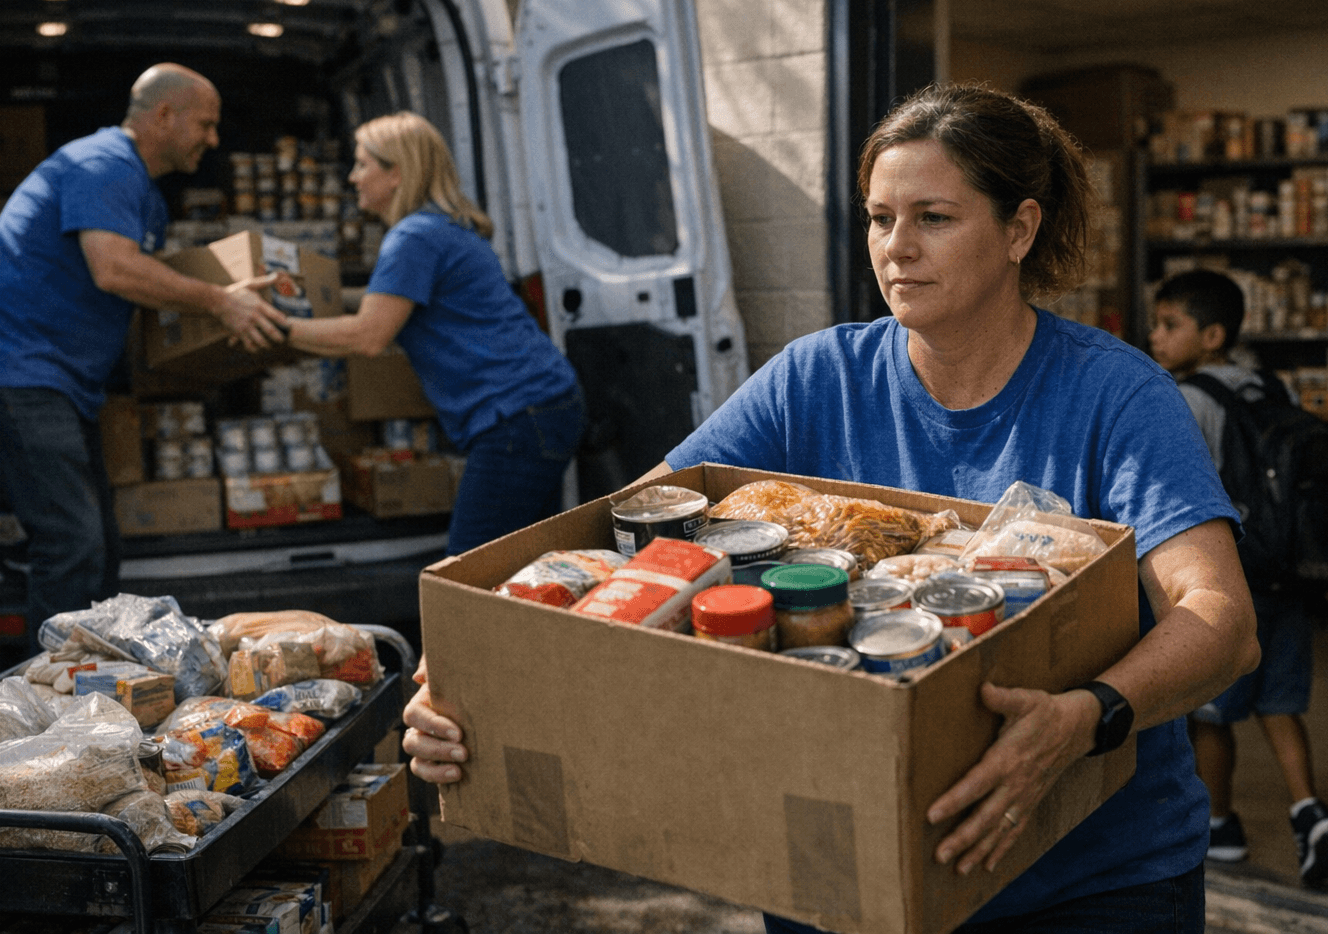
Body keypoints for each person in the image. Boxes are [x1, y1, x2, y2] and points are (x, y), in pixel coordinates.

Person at [403, 82, 1260, 932]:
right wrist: (482, 663)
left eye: (933, 217)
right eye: (880, 218)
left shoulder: (1118, 394)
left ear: (1019, 230)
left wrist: (1089, 717)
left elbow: (1220, 619)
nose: (896, 248)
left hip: (1088, 880)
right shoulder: (815, 379)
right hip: (843, 871)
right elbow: (630, 539)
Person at [0, 63, 289, 648]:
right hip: (13, 369)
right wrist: (219, 302)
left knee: (98, 542)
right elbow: (115, 268)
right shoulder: (102, 165)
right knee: (72, 541)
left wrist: (227, 306)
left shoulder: (135, 186)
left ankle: (90, 676)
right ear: (163, 115)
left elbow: (146, 280)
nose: (213, 139)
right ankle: (52, 695)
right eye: (205, 124)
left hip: (54, 377)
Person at [285, 110, 584, 554]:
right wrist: (317, 294)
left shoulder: (413, 238)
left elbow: (369, 334)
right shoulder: (439, 227)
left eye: (363, 164)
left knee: (470, 574)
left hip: (516, 420)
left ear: (397, 173)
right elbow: (384, 300)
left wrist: (274, 327)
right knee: (529, 570)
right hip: (544, 405)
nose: (353, 177)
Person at [1150, 268, 1328, 886]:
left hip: (1236, 575)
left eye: (1169, 325)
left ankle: (1221, 824)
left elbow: (1188, 492)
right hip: (1286, 574)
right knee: (1281, 703)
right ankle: (1307, 810)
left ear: (1212, 335)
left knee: (1214, 714)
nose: (1156, 337)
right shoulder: (1270, 385)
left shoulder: (1191, 398)